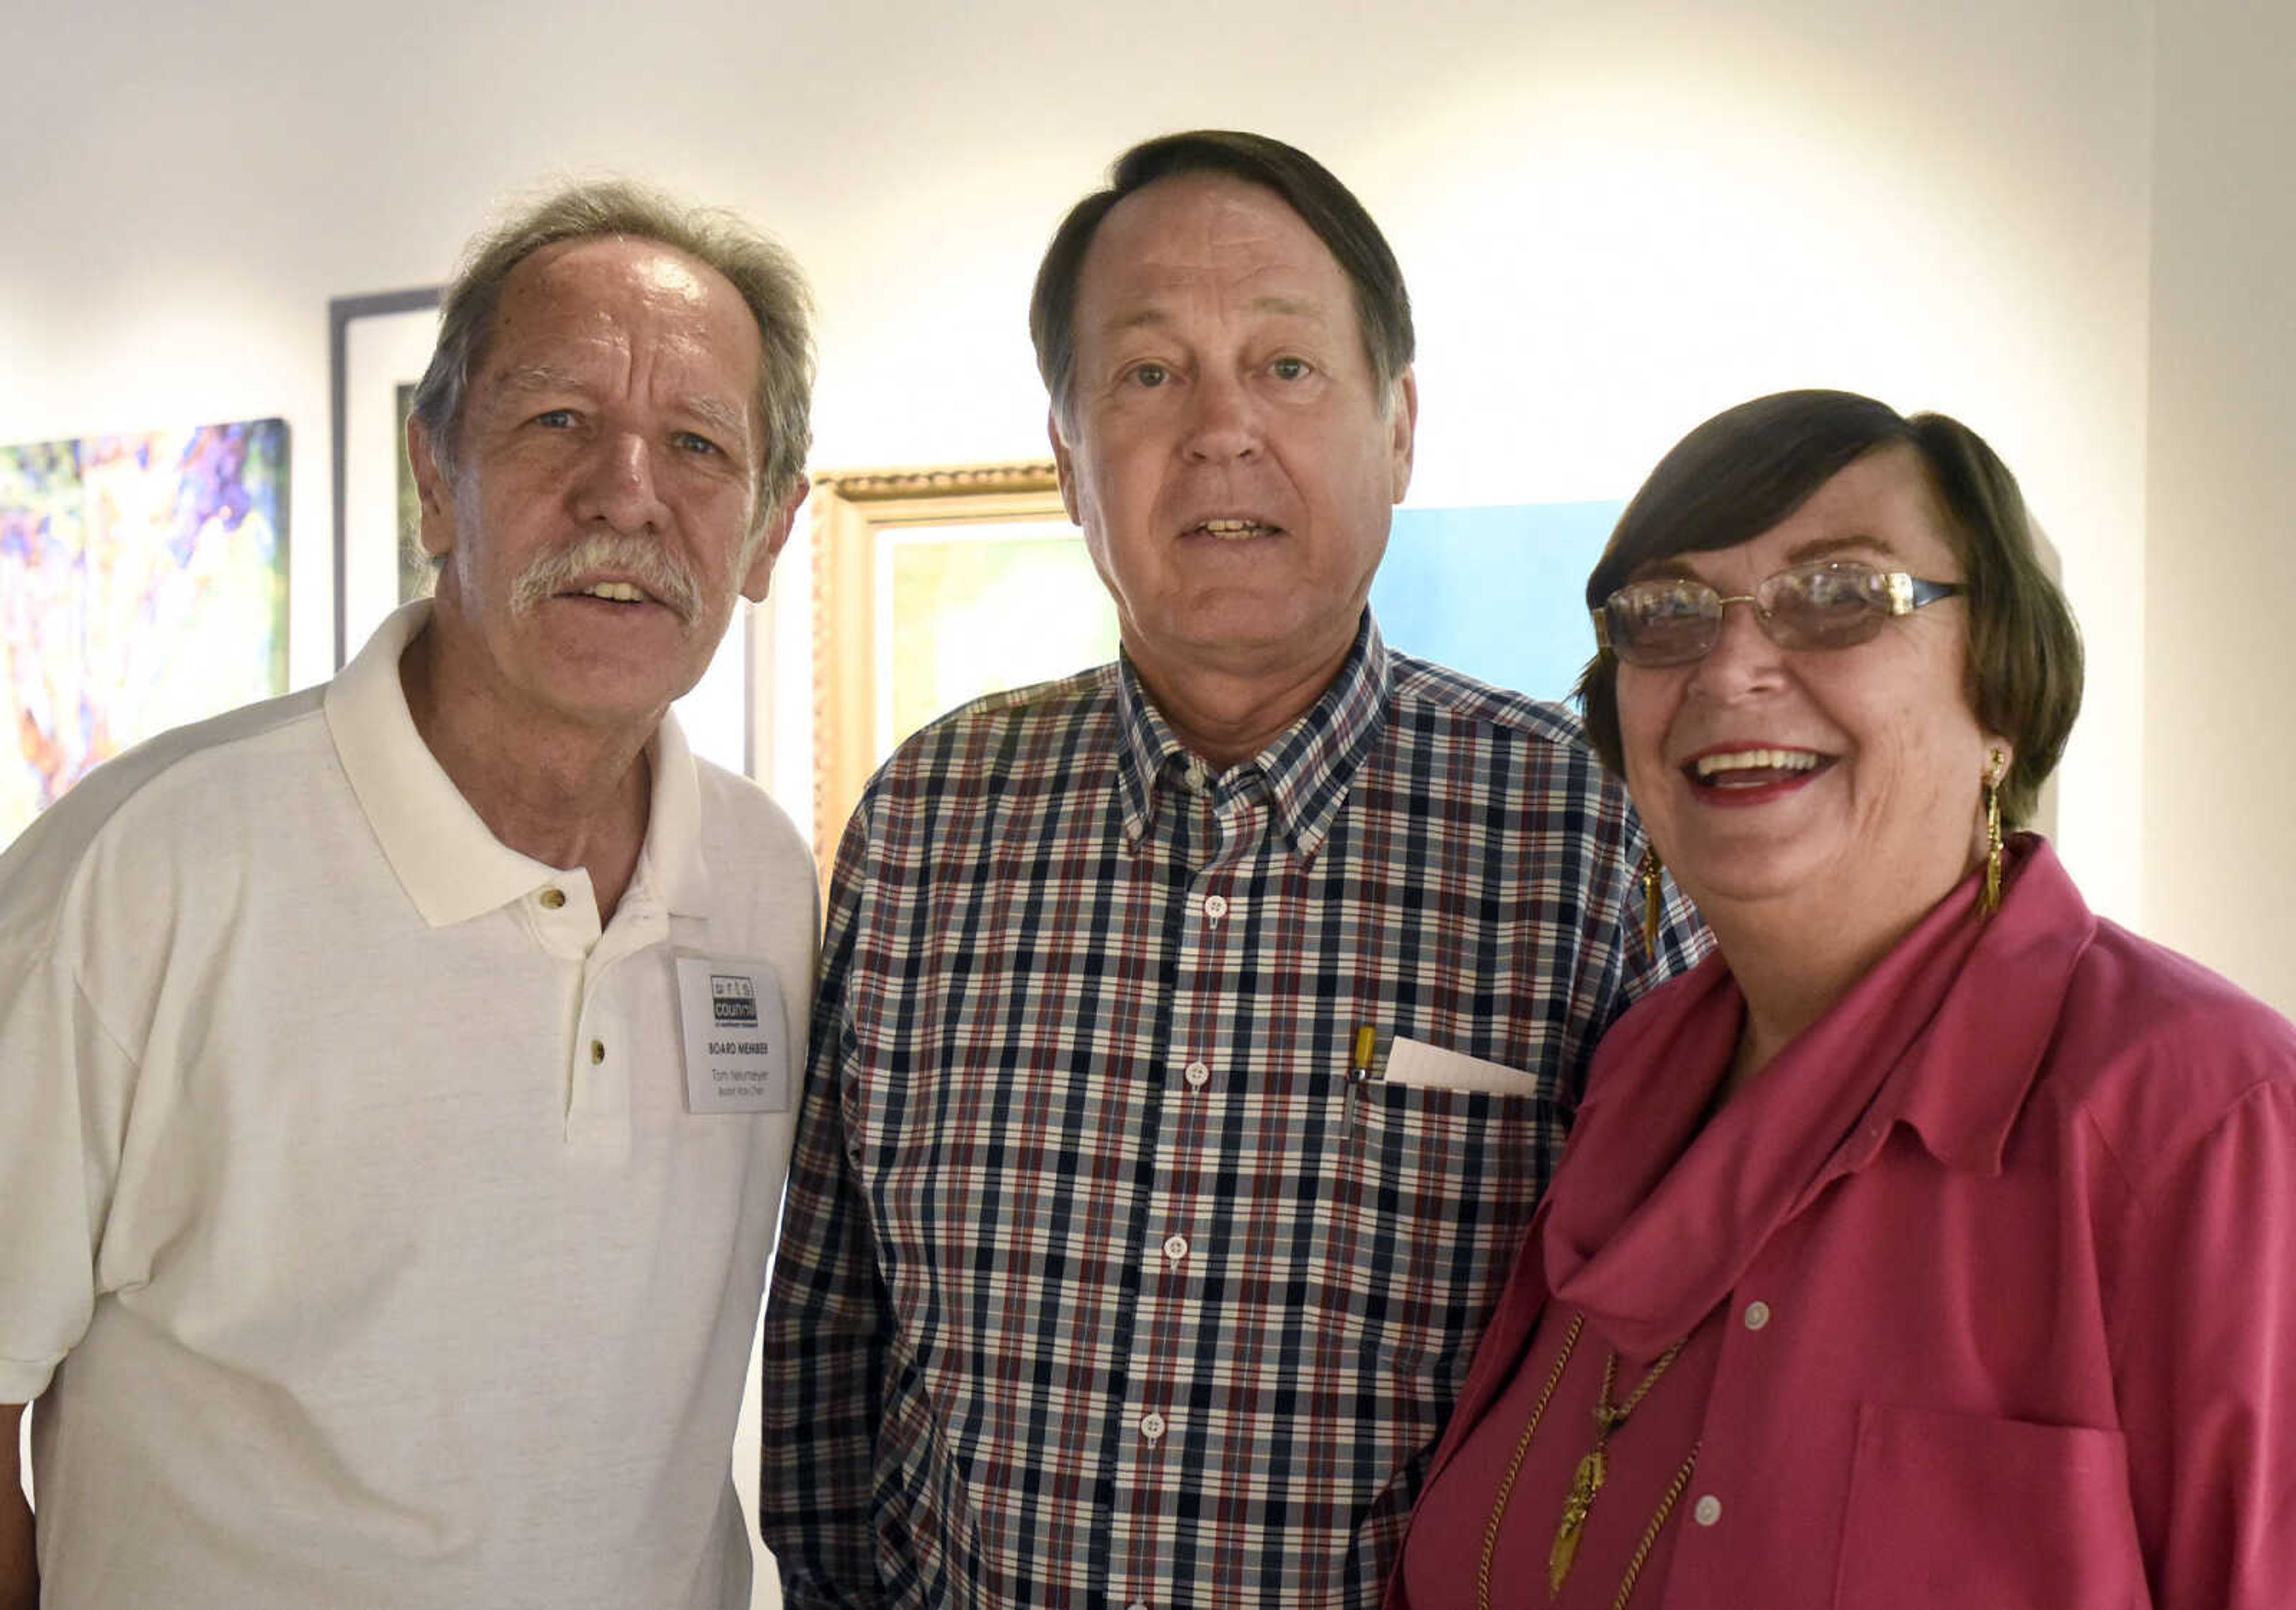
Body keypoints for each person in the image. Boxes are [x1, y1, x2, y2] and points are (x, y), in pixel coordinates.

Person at [758, 130, 1706, 1608]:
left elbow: (1677, 1371)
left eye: (1286, 367)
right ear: (1067, 453)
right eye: (1147, 375)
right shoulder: (928, 823)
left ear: (1399, 427)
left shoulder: (1590, 831)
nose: (1220, 429)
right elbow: (831, 1336)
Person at [0, 179, 819, 1610]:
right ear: (434, 479)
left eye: (697, 445)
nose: (628, 492)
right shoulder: (140, 874)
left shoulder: (764, 888)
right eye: (558, 420)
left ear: (765, 536)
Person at [1388, 389, 2296, 1609]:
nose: (1732, 666)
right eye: (1666, 614)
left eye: (1842, 596)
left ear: (2004, 688)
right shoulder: (1631, 1078)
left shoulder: (2201, 1116)